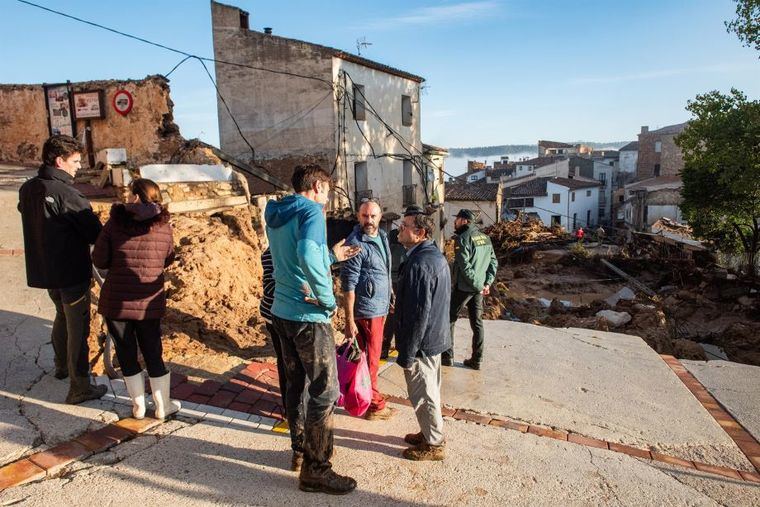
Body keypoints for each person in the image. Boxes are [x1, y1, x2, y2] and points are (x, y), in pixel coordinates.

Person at [265, 164, 360, 495]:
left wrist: (329, 256)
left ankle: (299, 451)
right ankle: (317, 469)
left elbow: (294, 256)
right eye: (329, 191)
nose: (329, 198)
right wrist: (327, 300)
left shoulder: (277, 211)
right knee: (326, 391)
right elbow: (306, 253)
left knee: (296, 385)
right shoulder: (311, 211)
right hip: (308, 317)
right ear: (318, 186)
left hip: (281, 312)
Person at [18, 135, 107, 404]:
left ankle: (61, 367)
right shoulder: (67, 193)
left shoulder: (29, 188)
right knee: (78, 326)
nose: (79, 166)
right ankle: (79, 386)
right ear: (60, 160)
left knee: (61, 316)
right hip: (70, 271)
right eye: (76, 161)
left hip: (44, 270)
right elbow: (95, 234)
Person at [92, 178, 180, 421]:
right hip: (147, 302)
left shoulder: (115, 222)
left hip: (116, 301)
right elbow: (169, 257)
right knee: (153, 350)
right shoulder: (164, 225)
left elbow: (99, 260)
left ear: (136, 196)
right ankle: (163, 406)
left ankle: (138, 407)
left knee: (126, 351)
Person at [395, 207, 450, 461]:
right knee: (430, 391)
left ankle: (435, 444)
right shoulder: (432, 256)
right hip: (434, 338)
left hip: (422, 343)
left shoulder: (420, 264)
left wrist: (407, 353)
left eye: (405, 226)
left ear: (420, 233)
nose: (399, 229)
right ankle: (429, 431)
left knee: (423, 393)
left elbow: (419, 313)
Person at [341, 200, 394, 420]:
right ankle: (374, 406)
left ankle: (362, 395)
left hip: (379, 307)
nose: (368, 221)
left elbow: (384, 271)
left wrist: (390, 294)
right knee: (371, 360)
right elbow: (348, 286)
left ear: (380, 216)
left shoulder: (381, 237)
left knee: (367, 358)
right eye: (364, 216)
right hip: (366, 311)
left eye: (372, 216)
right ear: (358, 216)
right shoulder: (356, 244)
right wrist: (349, 320)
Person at [444, 209, 497, 370]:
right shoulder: (486, 238)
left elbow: (465, 266)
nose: (455, 222)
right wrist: (486, 283)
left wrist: (478, 285)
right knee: (477, 323)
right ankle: (477, 359)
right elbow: (493, 262)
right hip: (479, 288)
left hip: (465, 287)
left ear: (465, 221)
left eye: (458, 219)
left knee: (449, 318)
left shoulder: (462, 239)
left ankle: (447, 357)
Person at [259, 246, 289, 415]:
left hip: (288, 312)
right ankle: (288, 406)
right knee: (286, 361)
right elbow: (269, 288)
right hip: (275, 315)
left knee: (290, 361)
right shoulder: (271, 254)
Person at [381, 225, 405, 359]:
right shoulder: (408, 241)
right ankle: (400, 347)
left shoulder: (390, 239)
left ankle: (384, 348)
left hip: (390, 281)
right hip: (401, 281)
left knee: (391, 315)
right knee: (401, 315)